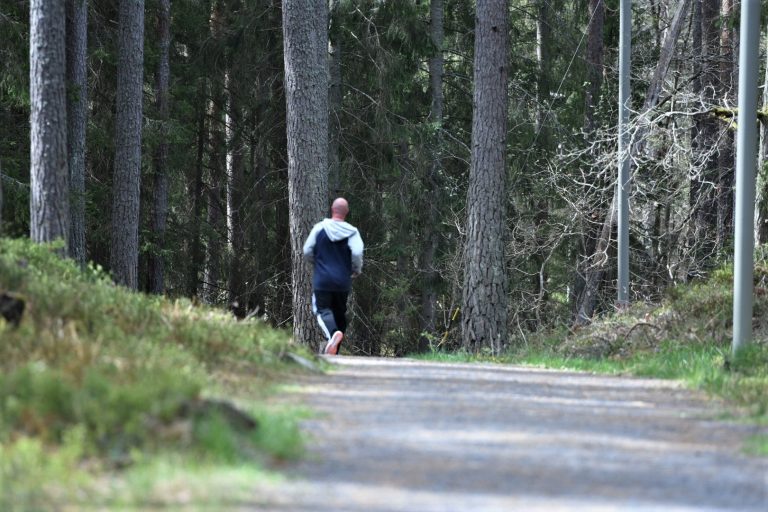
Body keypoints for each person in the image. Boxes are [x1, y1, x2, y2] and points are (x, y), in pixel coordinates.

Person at [303, 197, 364, 355]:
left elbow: (307, 250)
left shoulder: (319, 228)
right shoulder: (352, 232)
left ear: (332, 209)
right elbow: (357, 252)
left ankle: (333, 335)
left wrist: (316, 263)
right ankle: (334, 352)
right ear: (346, 212)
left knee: (322, 310)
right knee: (339, 313)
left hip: (322, 280)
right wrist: (355, 269)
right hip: (342, 281)